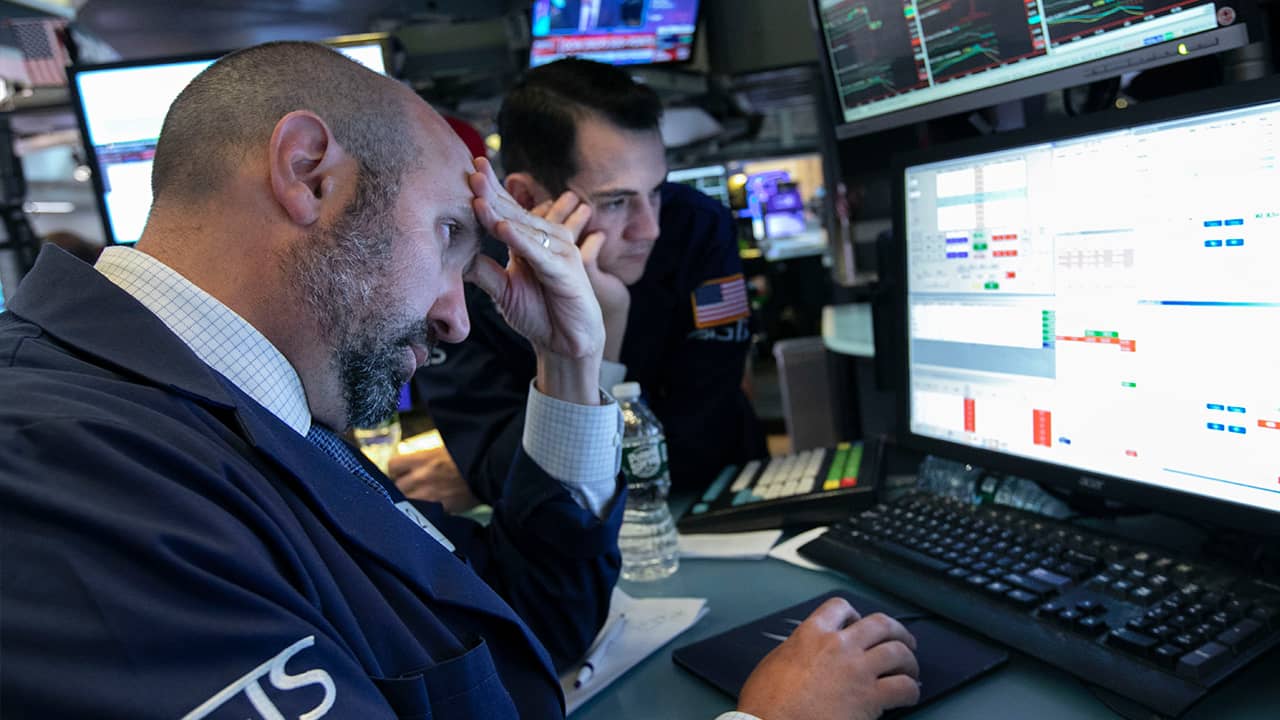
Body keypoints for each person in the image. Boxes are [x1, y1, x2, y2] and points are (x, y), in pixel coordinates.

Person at [0, 42, 920, 720]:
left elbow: (532, 621)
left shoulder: (259, 417)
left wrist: (569, 364)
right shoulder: (52, 473)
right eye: (448, 231)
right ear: (307, 173)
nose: (455, 314)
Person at [402, 57, 767, 512]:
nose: (649, 228)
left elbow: (704, 436)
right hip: (571, 551)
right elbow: (509, 484)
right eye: (616, 202)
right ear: (525, 200)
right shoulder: (468, 283)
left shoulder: (696, 228)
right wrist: (600, 337)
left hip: (725, 507)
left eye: (655, 190)